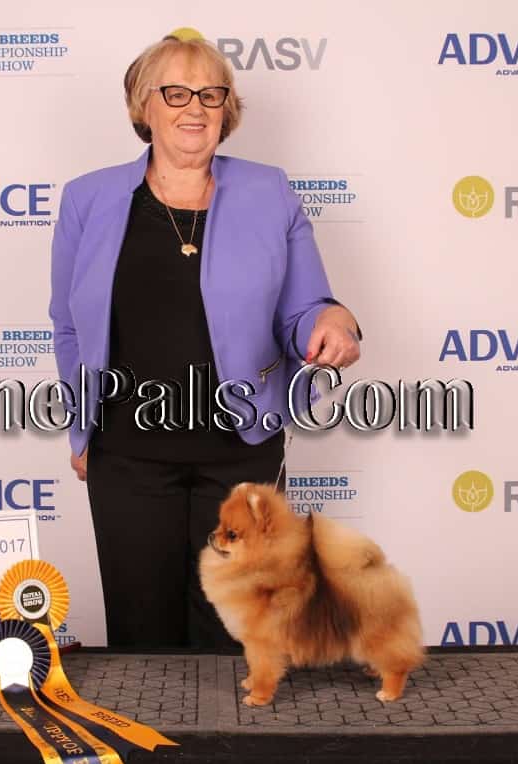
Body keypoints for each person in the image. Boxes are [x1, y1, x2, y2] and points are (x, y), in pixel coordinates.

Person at [49, 31, 361, 649]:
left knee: (232, 636)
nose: (195, 107)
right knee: (143, 637)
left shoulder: (268, 190)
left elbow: (307, 308)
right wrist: (81, 425)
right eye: (176, 92)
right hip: (127, 451)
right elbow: (66, 323)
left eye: (211, 93)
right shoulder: (88, 198)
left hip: (239, 452)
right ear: (145, 106)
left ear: (227, 108)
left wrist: (335, 320)